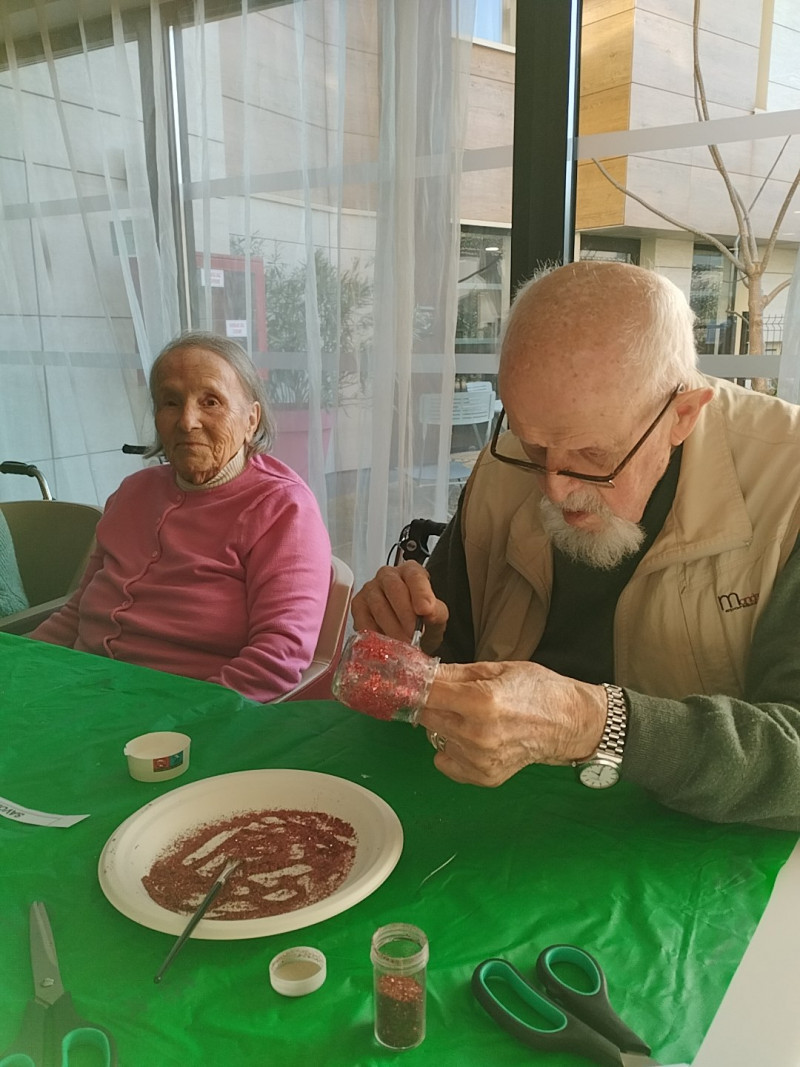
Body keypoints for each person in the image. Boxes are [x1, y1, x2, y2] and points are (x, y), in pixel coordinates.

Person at [352, 261, 800, 831]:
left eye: (593, 456)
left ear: (682, 416)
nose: (556, 488)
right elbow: (455, 660)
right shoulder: (505, 463)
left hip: (694, 857)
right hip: (503, 826)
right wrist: (422, 638)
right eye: (535, 448)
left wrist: (597, 723)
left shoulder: (790, 484)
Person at [31, 330, 332, 703]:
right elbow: (78, 611)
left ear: (251, 419)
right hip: (76, 688)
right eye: (170, 402)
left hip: (181, 713)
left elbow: (277, 658)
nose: (187, 421)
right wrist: (20, 665)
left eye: (211, 401)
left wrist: (182, 723)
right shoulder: (132, 493)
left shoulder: (282, 508)